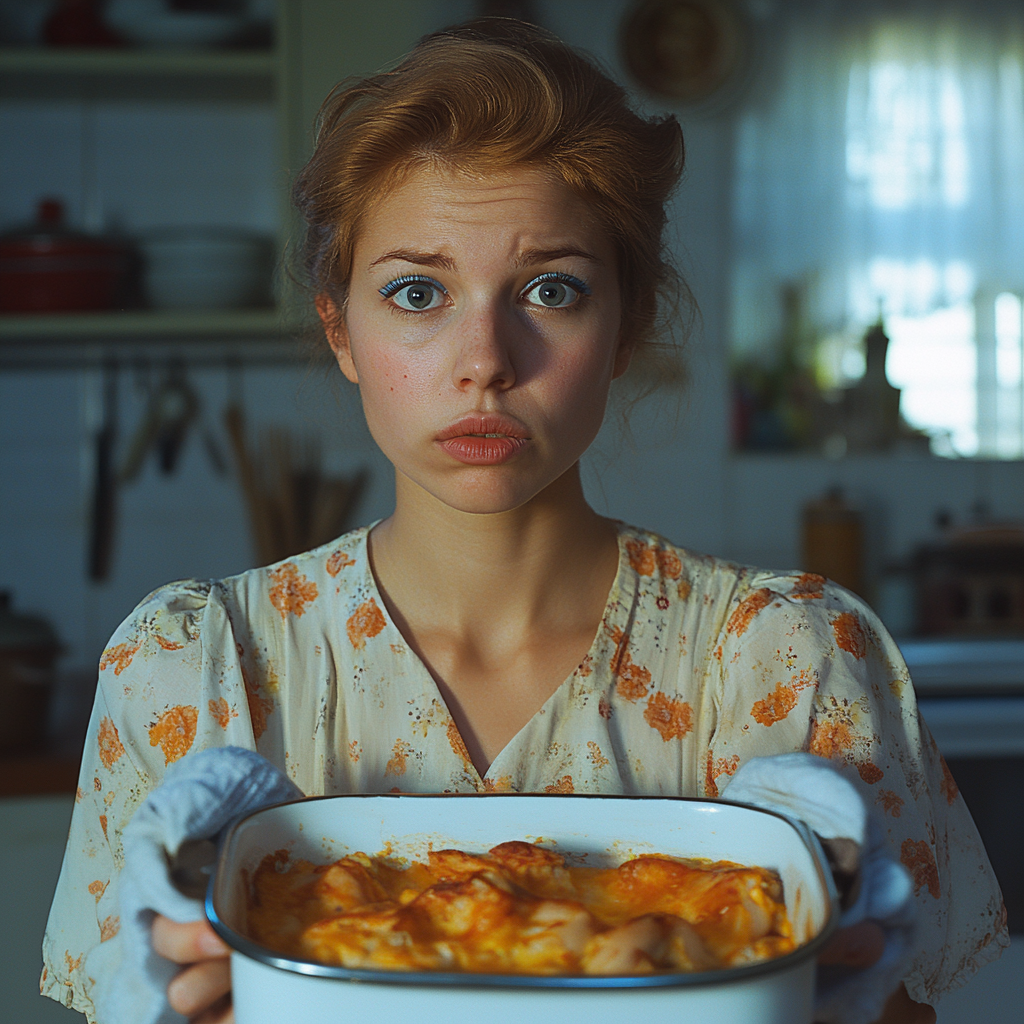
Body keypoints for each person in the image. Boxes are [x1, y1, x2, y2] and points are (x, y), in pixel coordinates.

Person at [42, 18, 1005, 1024]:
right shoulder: (192, 671)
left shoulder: (794, 664)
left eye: (551, 290)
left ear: (625, 325)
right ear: (342, 331)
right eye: (418, 291)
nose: (486, 359)